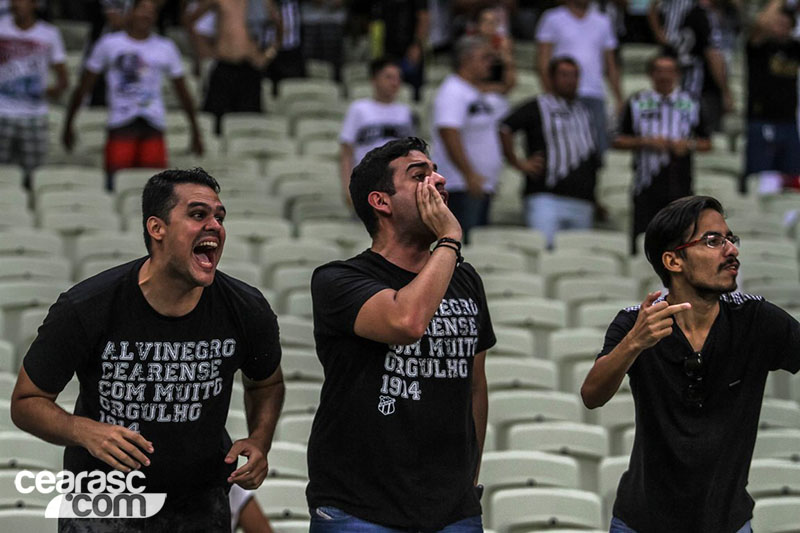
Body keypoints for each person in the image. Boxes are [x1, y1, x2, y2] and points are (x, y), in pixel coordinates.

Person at [10, 167, 285, 531]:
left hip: (198, 504)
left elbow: (266, 383)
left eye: (219, 217)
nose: (215, 226)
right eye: (198, 214)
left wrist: (259, 439)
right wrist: (83, 430)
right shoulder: (87, 306)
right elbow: (26, 402)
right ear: (157, 228)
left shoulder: (246, 308)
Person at [306, 137, 495, 531]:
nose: (440, 181)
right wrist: (449, 239)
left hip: (453, 512)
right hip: (359, 511)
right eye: (420, 175)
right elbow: (406, 322)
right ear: (381, 202)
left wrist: (468, 481)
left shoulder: (465, 279)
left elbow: (475, 386)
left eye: (436, 170)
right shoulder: (338, 279)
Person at [581, 195, 800, 532]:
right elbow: (592, 395)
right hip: (642, 523)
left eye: (730, 239)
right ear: (673, 260)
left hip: (728, 523)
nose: (732, 250)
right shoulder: (636, 323)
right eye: (713, 240)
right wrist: (634, 343)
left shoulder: (755, 319)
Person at [62, 0, 204, 190]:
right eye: (142, 9)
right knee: (117, 185)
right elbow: (84, 86)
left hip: (153, 125)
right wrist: (69, 123)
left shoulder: (165, 47)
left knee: (155, 190)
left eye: (151, 11)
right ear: (131, 12)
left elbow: (182, 91)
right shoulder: (110, 44)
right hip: (121, 123)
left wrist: (195, 130)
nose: (146, 15)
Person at [613, 54, 711, 253]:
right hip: (646, 184)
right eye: (659, 71)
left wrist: (688, 144)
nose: (664, 76)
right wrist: (646, 142)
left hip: (681, 185)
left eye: (669, 71)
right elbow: (618, 140)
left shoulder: (691, 102)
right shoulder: (637, 102)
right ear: (651, 74)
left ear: (677, 74)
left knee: (680, 244)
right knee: (644, 240)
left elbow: (707, 143)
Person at [500, 56, 600, 249]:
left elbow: (590, 156)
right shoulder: (537, 106)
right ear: (551, 78)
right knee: (545, 252)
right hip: (545, 198)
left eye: (574, 75)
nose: (570, 80)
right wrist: (517, 162)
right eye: (564, 75)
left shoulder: (585, 112)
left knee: (579, 258)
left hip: (583, 201)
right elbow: (505, 127)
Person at [432, 35, 508, 241]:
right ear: (466, 60)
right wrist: (469, 174)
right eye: (484, 57)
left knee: (477, 247)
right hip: (461, 186)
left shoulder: (473, 91)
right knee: (462, 249)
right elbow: (449, 133)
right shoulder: (453, 91)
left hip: (478, 186)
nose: (490, 63)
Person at [535, 0, 623, 155]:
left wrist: (618, 96)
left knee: (596, 149)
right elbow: (543, 61)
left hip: (594, 93)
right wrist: (550, 92)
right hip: (562, 94)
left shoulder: (603, 21)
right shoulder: (552, 18)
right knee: (562, 148)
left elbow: (610, 64)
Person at [0, 0, 68, 189]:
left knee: (35, 173)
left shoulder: (49, 34)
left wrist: (53, 90)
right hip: (2, 112)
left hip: (34, 114)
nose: (17, 4)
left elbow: (62, 75)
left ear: (35, 4)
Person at [190, 0, 280, 133]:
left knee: (249, 124)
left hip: (250, 69)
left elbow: (280, 27)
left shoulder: (262, 2)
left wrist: (268, 54)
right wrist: (204, 50)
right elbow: (190, 20)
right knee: (215, 122)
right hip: (224, 67)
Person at [339, 58, 415, 209]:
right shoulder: (359, 109)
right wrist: (348, 187)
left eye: (398, 78)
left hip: (398, 187)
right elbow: (346, 152)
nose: (395, 82)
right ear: (374, 79)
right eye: (388, 77)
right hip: (366, 184)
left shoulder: (405, 113)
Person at [743, 0, 800, 194]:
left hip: (789, 122)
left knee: (791, 180)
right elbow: (760, 24)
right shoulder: (759, 48)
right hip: (762, 120)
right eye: (777, 23)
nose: (780, 28)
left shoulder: (794, 49)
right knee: (762, 180)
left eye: (785, 25)